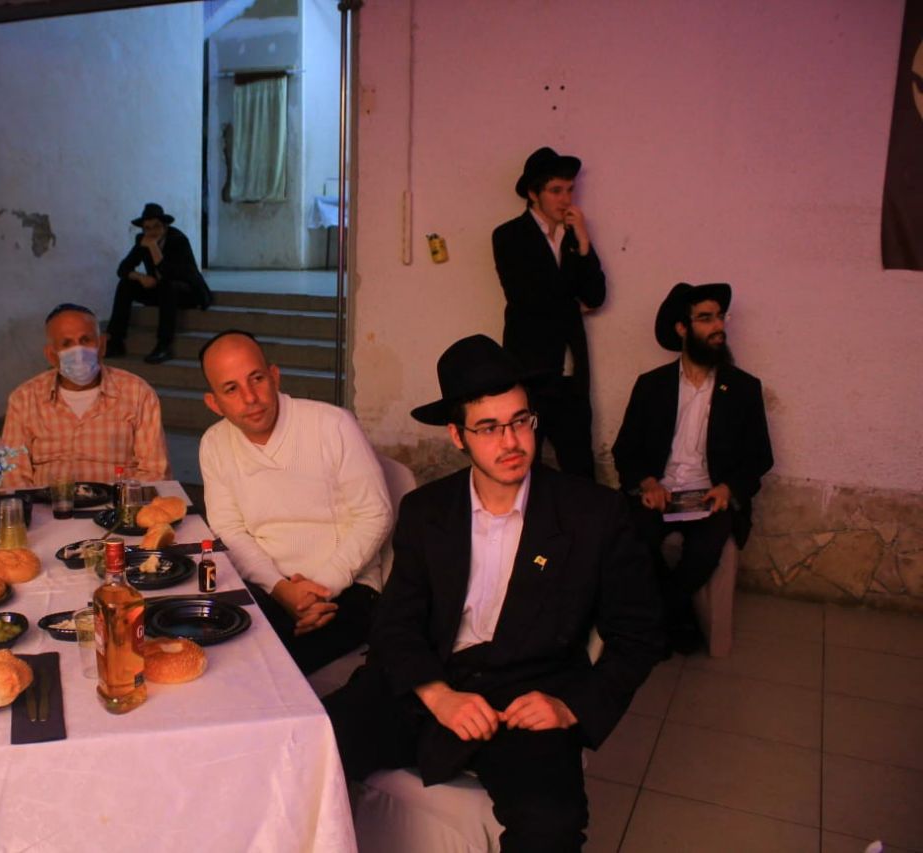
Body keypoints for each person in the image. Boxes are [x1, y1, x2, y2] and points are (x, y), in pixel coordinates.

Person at [323, 334, 663, 852]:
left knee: (551, 827)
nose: (511, 442)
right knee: (311, 748)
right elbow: (395, 622)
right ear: (457, 436)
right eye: (488, 428)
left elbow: (640, 634)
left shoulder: (593, 514)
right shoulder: (427, 511)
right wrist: (437, 695)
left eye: (521, 421)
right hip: (429, 679)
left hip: (527, 693)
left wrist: (572, 707)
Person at [199, 330, 392, 674]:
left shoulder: (332, 425)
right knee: (217, 657)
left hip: (346, 587)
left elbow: (375, 514)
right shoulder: (214, 444)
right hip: (266, 586)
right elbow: (229, 530)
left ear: (274, 376)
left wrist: (318, 590)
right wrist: (281, 589)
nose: (250, 398)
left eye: (257, 379)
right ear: (214, 403)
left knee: (270, 670)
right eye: (231, 389)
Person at [612, 283, 773, 653]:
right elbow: (625, 449)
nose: (718, 326)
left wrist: (729, 489)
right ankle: (678, 618)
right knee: (633, 538)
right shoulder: (652, 386)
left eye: (720, 317)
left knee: (706, 549)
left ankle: (661, 617)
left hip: (712, 495)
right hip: (660, 492)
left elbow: (759, 456)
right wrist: (648, 482)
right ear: (682, 329)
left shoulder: (744, 388)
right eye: (705, 318)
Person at [491, 146, 605, 480]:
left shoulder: (573, 237)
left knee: (580, 466)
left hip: (570, 371)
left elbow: (595, 296)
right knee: (525, 463)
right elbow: (526, 298)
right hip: (529, 370)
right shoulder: (509, 235)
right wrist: (572, 302)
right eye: (556, 191)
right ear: (533, 193)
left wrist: (583, 241)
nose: (566, 199)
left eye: (570, 190)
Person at [2, 303, 171, 488]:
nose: (79, 352)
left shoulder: (138, 393)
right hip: (47, 504)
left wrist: (122, 502)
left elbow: (154, 471)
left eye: (86, 340)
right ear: (51, 355)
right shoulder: (24, 399)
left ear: (102, 345)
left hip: (118, 502)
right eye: (66, 344)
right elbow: (13, 474)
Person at [105, 203, 213, 365]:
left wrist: (153, 247)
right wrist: (140, 277)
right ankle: (115, 341)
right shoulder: (143, 241)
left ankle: (164, 345)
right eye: (147, 228)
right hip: (162, 291)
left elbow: (169, 273)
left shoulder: (178, 240)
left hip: (187, 292)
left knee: (168, 286)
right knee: (125, 284)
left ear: (165, 227)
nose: (152, 232)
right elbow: (123, 269)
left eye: (156, 226)